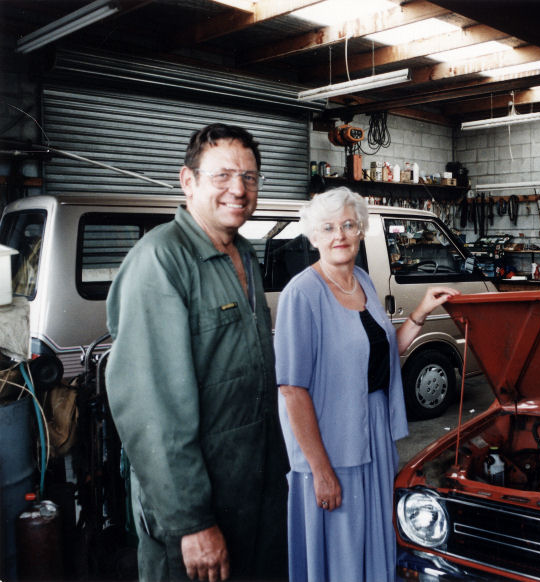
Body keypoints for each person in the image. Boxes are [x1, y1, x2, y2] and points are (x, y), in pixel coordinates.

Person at [105, 123, 289, 581]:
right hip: (196, 510)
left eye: (250, 177)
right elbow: (152, 409)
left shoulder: (244, 253)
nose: (238, 189)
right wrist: (192, 522)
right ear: (188, 182)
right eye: (223, 175)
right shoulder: (160, 260)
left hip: (253, 493)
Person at [274, 187, 459, 582]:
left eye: (348, 224)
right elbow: (291, 390)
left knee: (374, 538)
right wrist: (320, 470)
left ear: (360, 231)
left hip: (372, 430)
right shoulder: (301, 294)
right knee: (341, 549)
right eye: (328, 227)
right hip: (330, 442)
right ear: (313, 237)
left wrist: (423, 310)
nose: (338, 234)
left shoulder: (362, 280)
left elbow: (384, 354)